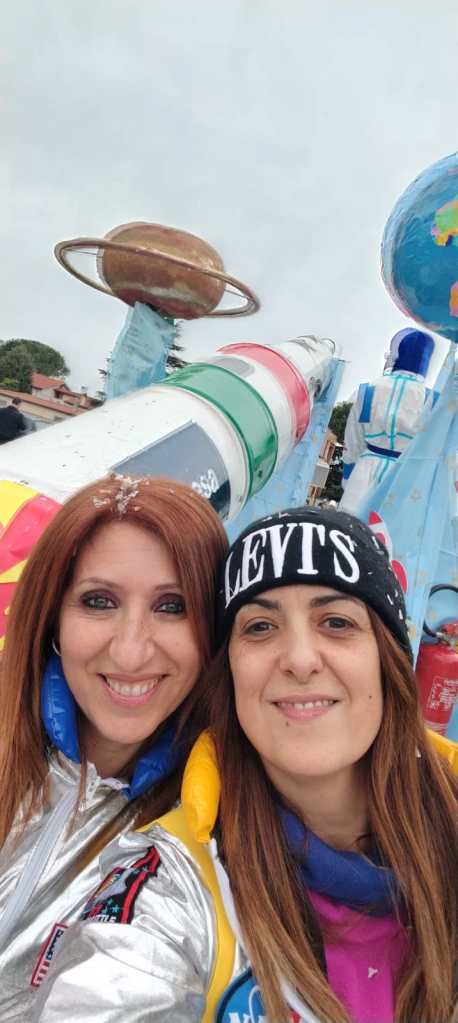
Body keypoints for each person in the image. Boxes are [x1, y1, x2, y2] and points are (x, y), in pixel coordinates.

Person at [31, 505, 457, 1023]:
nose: (300, 659)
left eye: (336, 622)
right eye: (260, 626)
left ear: (387, 659)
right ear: (229, 674)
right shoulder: (170, 891)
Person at [0, 472, 228, 1020]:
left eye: (172, 606)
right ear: (53, 617)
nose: (129, 652)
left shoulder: (212, 841)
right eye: (99, 601)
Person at [340, 327, 435, 515]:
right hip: (404, 477)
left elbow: (353, 440)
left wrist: (348, 474)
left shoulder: (368, 390)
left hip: (364, 474)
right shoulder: (432, 400)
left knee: (352, 526)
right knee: (391, 528)